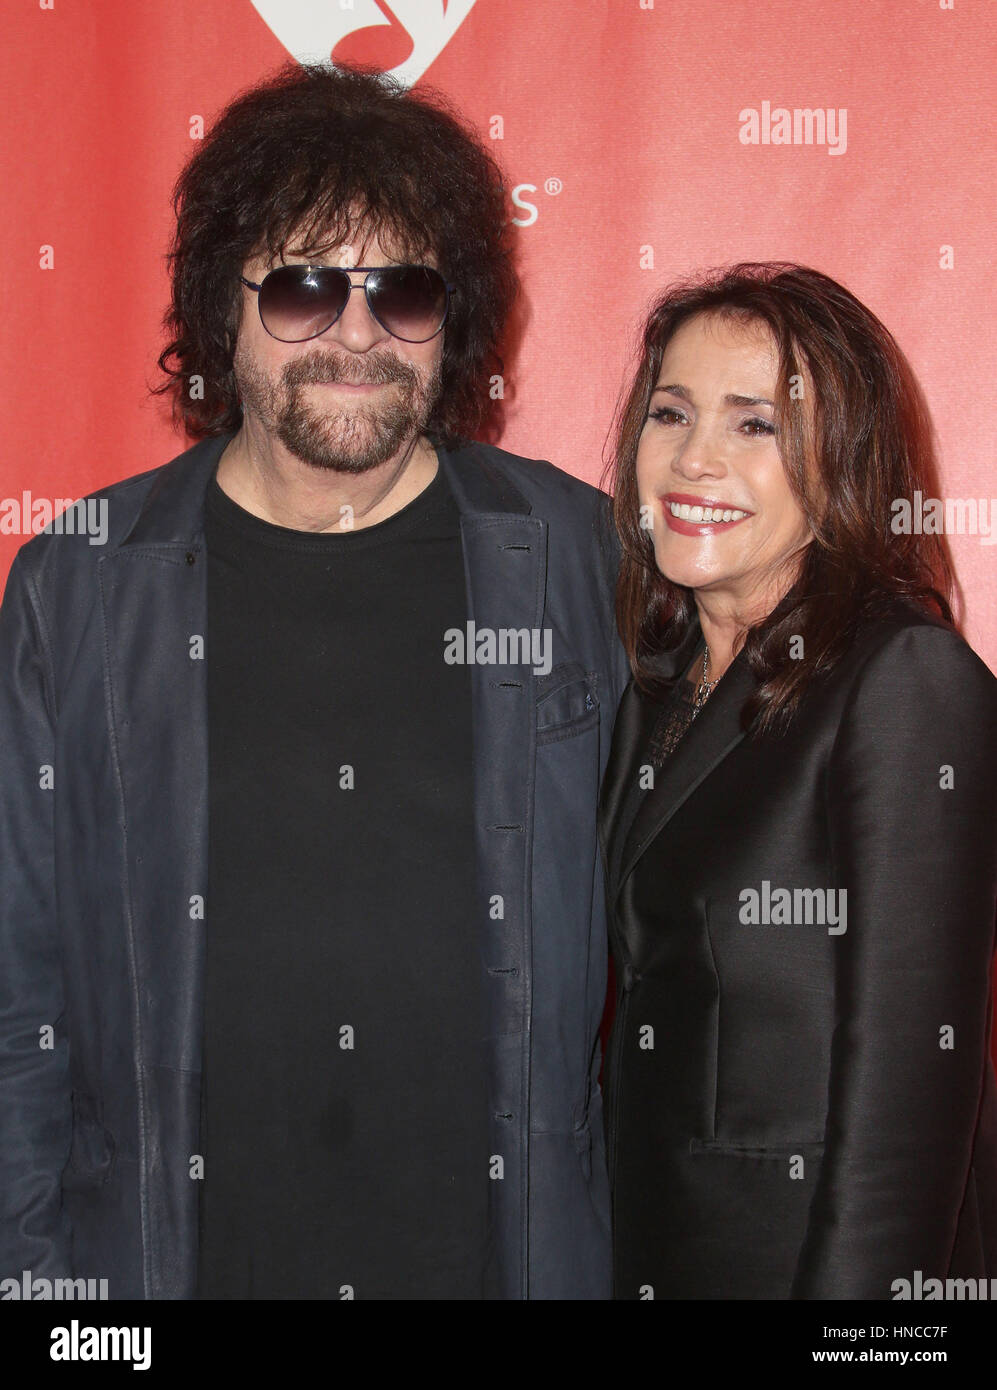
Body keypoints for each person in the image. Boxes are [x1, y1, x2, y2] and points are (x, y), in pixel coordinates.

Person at [0, 62, 627, 1301]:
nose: (356, 333)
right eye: (301, 287)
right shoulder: (79, 585)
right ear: (219, 308)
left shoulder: (575, 557)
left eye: (403, 290)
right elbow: (18, 999)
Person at [599, 262, 997, 1300]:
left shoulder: (901, 677)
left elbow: (911, 1090)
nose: (694, 458)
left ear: (844, 460)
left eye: (756, 425)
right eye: (671, 413)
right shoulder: (656, 687)